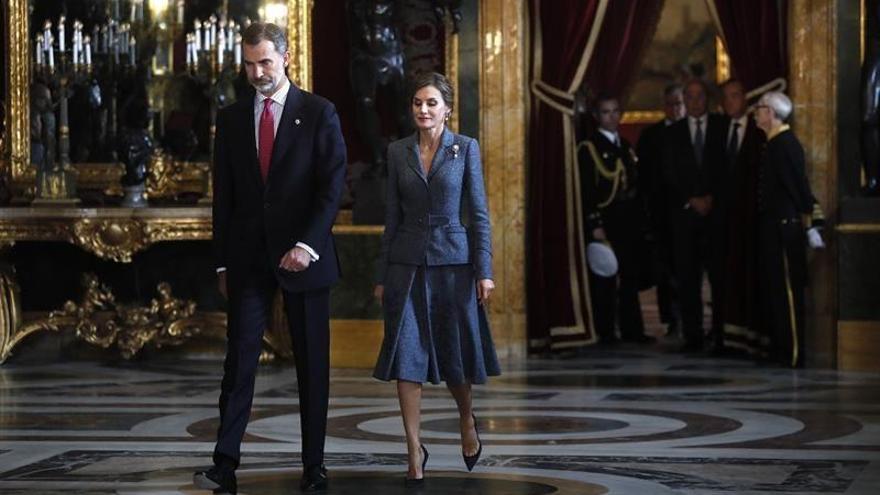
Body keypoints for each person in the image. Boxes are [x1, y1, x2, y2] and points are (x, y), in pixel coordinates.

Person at [194, 22, 346, 494]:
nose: (257, 72)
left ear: (285, 58)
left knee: (311, 364)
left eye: (264, 61)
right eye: (248, 63)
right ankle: (224, 462)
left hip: (306, 256)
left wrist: (306, 245)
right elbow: (225, 197)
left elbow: (331, 187)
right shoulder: (233, 118)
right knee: (238, 362)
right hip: (247, 260)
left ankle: (314, 466)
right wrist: (222, 263)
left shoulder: (319, 112)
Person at [372, 72, 500, 484]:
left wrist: (485, 271)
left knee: (454, 357)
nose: (423, 110)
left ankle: (466, 419)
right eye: (417, 103)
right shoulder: (397, 151)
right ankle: (413, 449)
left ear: (446, 109)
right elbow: (391, 218)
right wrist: (381, 274)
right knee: (407, 359)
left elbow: (478, 214)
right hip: (406, 267)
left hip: (454, 267)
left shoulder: (466, 149)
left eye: (431, 103)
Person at [754, 91, 823, 367]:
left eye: (759, 109)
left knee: (788, 293)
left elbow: (798, 186)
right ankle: (781, 347)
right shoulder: (773, 143)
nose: (756, 113)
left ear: (770, 113)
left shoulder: (784, 144)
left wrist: (811, 219)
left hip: (785, 228)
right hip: (773, 228)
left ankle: (793, 351)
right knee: (776, 291)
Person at [579, 93, 653, 344]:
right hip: (607, 221)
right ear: (597, 116)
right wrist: (594, 223)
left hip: (628, 221)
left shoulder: (624, 145)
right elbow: (588, 190)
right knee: (605, 278)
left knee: (630, 277)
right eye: (606, 112)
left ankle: (633, 329)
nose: (612, 117)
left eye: (615, 111)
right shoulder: (589, 147)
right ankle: (606, 331)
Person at [662, 79, 727, 352]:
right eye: (690, 97)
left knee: (720, 278)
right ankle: (693, 334)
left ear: (708, 99)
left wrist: (712, 198)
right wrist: (690, 199)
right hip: (685, 218)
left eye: (700, 96)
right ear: (684, 100)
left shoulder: (723, 128)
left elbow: (728, 167)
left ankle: (722, 332)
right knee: (688, 279)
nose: (695, 101)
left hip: (716, 217)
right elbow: (666, 174)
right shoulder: (672, 133)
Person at [718, 79, 766, 355]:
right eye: (726, 97)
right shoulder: (718, 128)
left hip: (751, 220)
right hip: (724, 220)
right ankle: (726, 336)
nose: (731, 102)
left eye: (736, 96)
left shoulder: (758, 133)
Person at [636, 84, 685, 337]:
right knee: (665, 272)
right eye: (671, 103)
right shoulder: (651, 136)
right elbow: (643, 178)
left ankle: (691, 320)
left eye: (679, 103)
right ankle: (672, 319)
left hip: (691, 214)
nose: (675, 108)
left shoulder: (697, 130)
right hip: (662, 214)